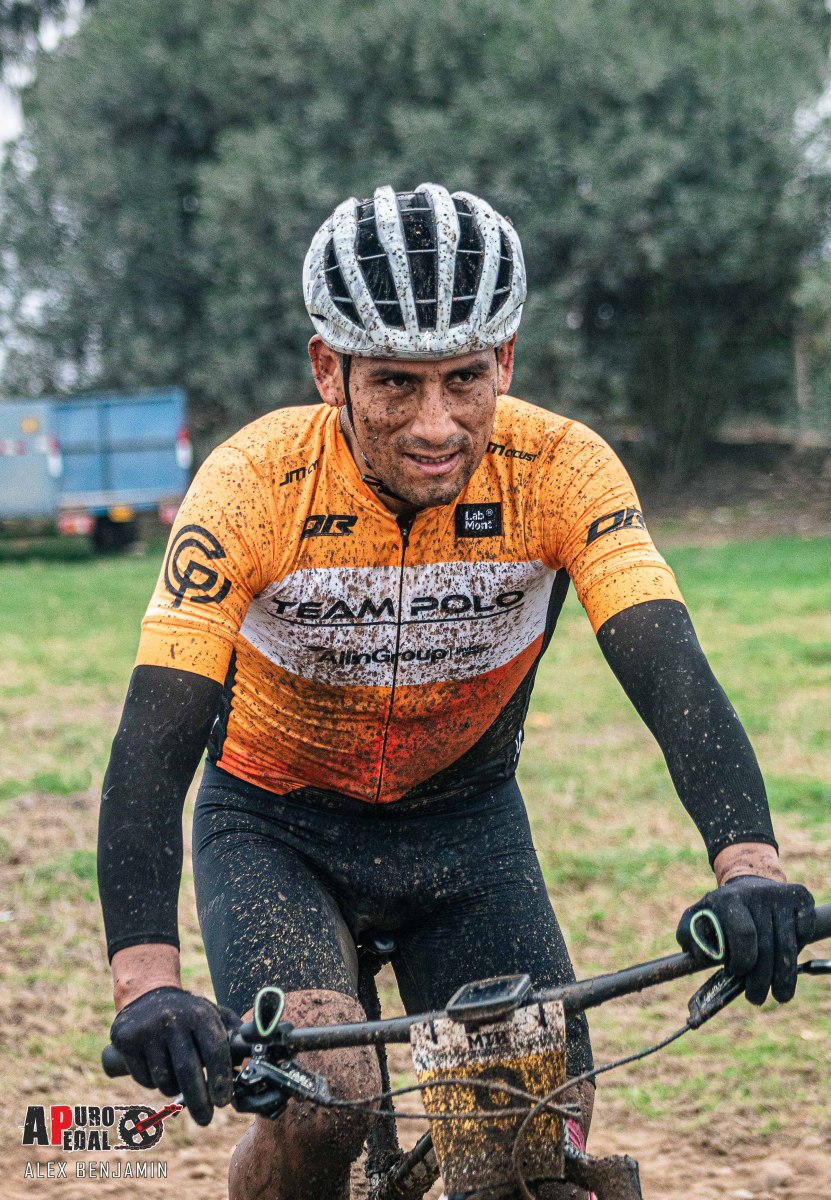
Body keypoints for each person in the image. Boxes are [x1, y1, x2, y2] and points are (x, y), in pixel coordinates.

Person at [98, 184, 815, 1200]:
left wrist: (749, 867)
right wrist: (147, 983)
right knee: (325, 1100)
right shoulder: (251, 484)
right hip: (275, 828)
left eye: (464, 379)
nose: (435, 425)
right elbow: (155, 736)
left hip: (465, 829)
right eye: (395, 383)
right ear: (328, 370)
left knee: (532, 1115)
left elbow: (669, 667)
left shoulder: (561, 468)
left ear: (505, 362)